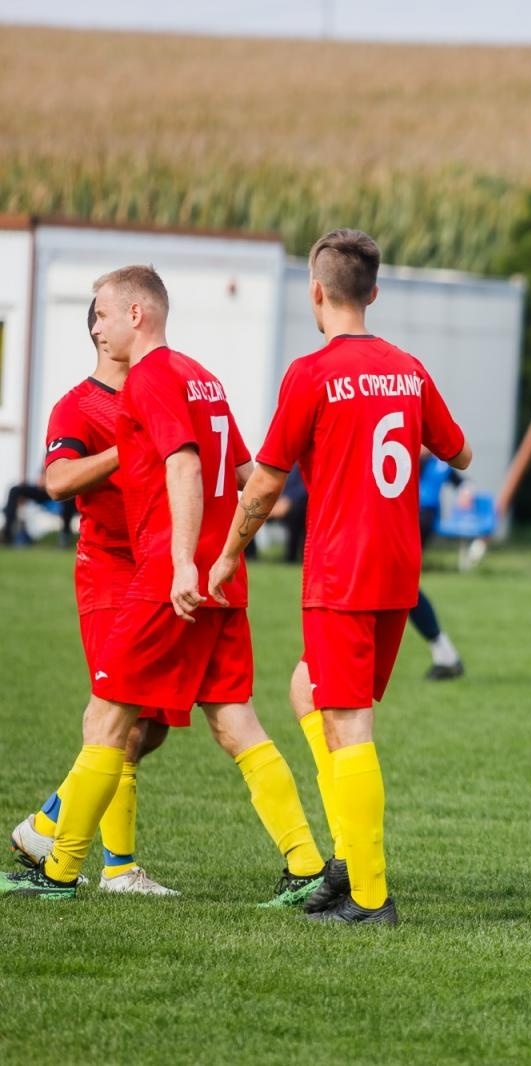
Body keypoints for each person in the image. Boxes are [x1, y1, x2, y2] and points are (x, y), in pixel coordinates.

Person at [2, 265, 324, 902]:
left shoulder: (148, 380)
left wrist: (179, 561)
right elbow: (243, 472)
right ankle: (307, 865)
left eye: (100, 316)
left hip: (162, 577)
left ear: (136, 315)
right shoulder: (201, 376)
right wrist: (234, 546)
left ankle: (61, 868)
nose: (95, 328)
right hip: (220, 578)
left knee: (109, 718)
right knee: (236, 723)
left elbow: (182, 463)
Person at [209, 228, 471, 926]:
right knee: (307, 690)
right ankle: (348, 861)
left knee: (349, 722)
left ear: (316, 292)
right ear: (375, 293)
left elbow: (263, 486)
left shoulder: (311, 373)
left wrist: (231, 553)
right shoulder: (409, 369)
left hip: (342, 572)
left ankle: (370, 895)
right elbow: (462, 449)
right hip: (396, 570)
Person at [9, 298, 184, 896]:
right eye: (106, 316)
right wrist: (128, 446)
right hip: (108, 568)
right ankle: (116, 867)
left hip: (158, 566)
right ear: (98, 329)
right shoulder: (77, 404)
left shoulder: (157, 390)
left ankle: (48, 822)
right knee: (120, 712)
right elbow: (56, 481)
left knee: (152, 726)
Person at [412, 452, 467, 679]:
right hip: (405, 515)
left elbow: (462, 476)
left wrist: (467, 492)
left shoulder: (433, 463)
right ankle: (445, 655)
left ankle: (446, 655)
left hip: (418, 517)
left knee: (399, 586)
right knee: (397, 587)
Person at [2, 477, 75, 546]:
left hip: (61, 489)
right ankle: (7, 535)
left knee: (69, 498)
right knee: (14, 490)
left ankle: (65, 535)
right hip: (43, 491)